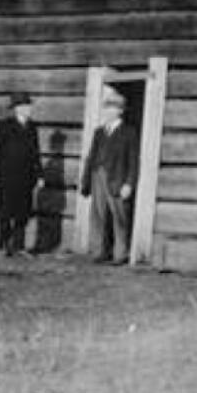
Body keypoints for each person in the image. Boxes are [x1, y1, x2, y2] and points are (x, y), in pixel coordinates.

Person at [80, 87, 139, 265]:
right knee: (98, 215)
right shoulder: (99, 132)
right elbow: (91, 157)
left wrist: (129, 183)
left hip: (117, 179)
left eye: (113, 108)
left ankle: (120, 254)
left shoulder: (129, 132)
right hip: (98, 175)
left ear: (120, 111)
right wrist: (86, 180)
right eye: (107, 108)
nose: (109, 111)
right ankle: (99, 251)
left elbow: (133, 161)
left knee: (119, 216)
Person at [0, 91, 44, 257]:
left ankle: (19, 246)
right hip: (6, 175)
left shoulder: (32, 128)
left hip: (25, 177)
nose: (28, 109)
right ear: (17, 109)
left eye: (28, 105)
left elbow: (35, 153)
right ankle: (4, 245)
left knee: (22, 213)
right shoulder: (5, 126)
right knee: (5, 212)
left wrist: (39, 175)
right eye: (24, 106)